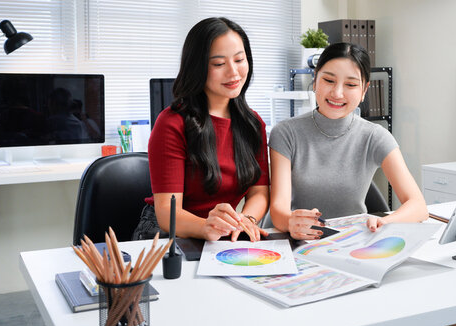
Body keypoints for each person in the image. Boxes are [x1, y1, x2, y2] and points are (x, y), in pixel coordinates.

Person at [269, 42, 428, 241]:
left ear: (364, 90)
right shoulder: (285, 133)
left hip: (350, 242)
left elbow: (418, 206)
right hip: (297, 240)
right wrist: (291, 222)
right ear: (315, 79)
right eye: (328, 80)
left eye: (351, 85)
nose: (337, 93)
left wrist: (386, 221)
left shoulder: (375, 136)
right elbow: (278, 210)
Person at [132, 17, 269, 242]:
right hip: (166, 232)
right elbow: (167, 211)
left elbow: (260, 193)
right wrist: (207, 226)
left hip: (220, 233)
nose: (233, 72)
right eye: (218, 64)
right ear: (197, 67)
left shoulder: (252, 123)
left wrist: (246, 219)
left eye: (239, 59)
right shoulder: (171, 123)